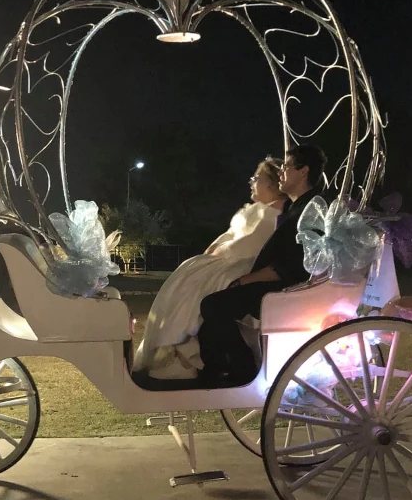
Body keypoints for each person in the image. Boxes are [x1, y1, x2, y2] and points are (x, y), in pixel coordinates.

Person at [133, 158, 286, 380]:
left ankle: (186, 352)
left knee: (200, 282)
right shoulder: (256, 210)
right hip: (229, 257)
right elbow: (231, 236)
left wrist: (219, 251)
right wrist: (215, 249)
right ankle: (175, 351)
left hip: (243, 262)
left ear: (272, 184)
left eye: (257, 178)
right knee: (190, 272)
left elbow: (250, 243)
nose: (251, 182)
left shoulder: (274, 213)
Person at [197, 144, 328, 386]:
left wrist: (245, 280)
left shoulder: (310, 210)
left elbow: (290, 264)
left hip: (289, 289)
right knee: (213, 306)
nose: (281, 173)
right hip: (279, 282)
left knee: (213, 305)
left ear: (303, 172)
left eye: (287, 167)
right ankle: (216, 367)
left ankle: (242, 367)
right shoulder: (294, 207)